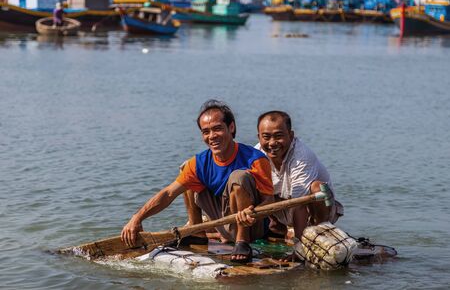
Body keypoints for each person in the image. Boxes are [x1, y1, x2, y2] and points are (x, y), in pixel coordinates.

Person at [121, 100, 274, 263]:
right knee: (187, 171)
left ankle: (241, 242)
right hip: (225, 221)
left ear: (231, 127)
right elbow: (168, 193)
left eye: (217, 129)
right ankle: (197, 232)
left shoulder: (255, 159)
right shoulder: (201, 162)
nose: (212, 136)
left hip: (251, 226)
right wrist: (137, 218)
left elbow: (269, 202)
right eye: (206, 132)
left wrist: (250, 212)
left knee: (239, 177)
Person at [255, 111, 344, 242]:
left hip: (314, 207)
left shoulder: (302, 156)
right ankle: (277, 228)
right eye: (266, 137)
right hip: (283, 208)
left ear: (291, 136)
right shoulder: (256, 154)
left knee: (317, 187)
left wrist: (298, 247)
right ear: (259, 138)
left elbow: (299, 204)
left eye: (278, 136)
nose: (272, 143)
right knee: (250, 181)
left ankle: (320, 231)